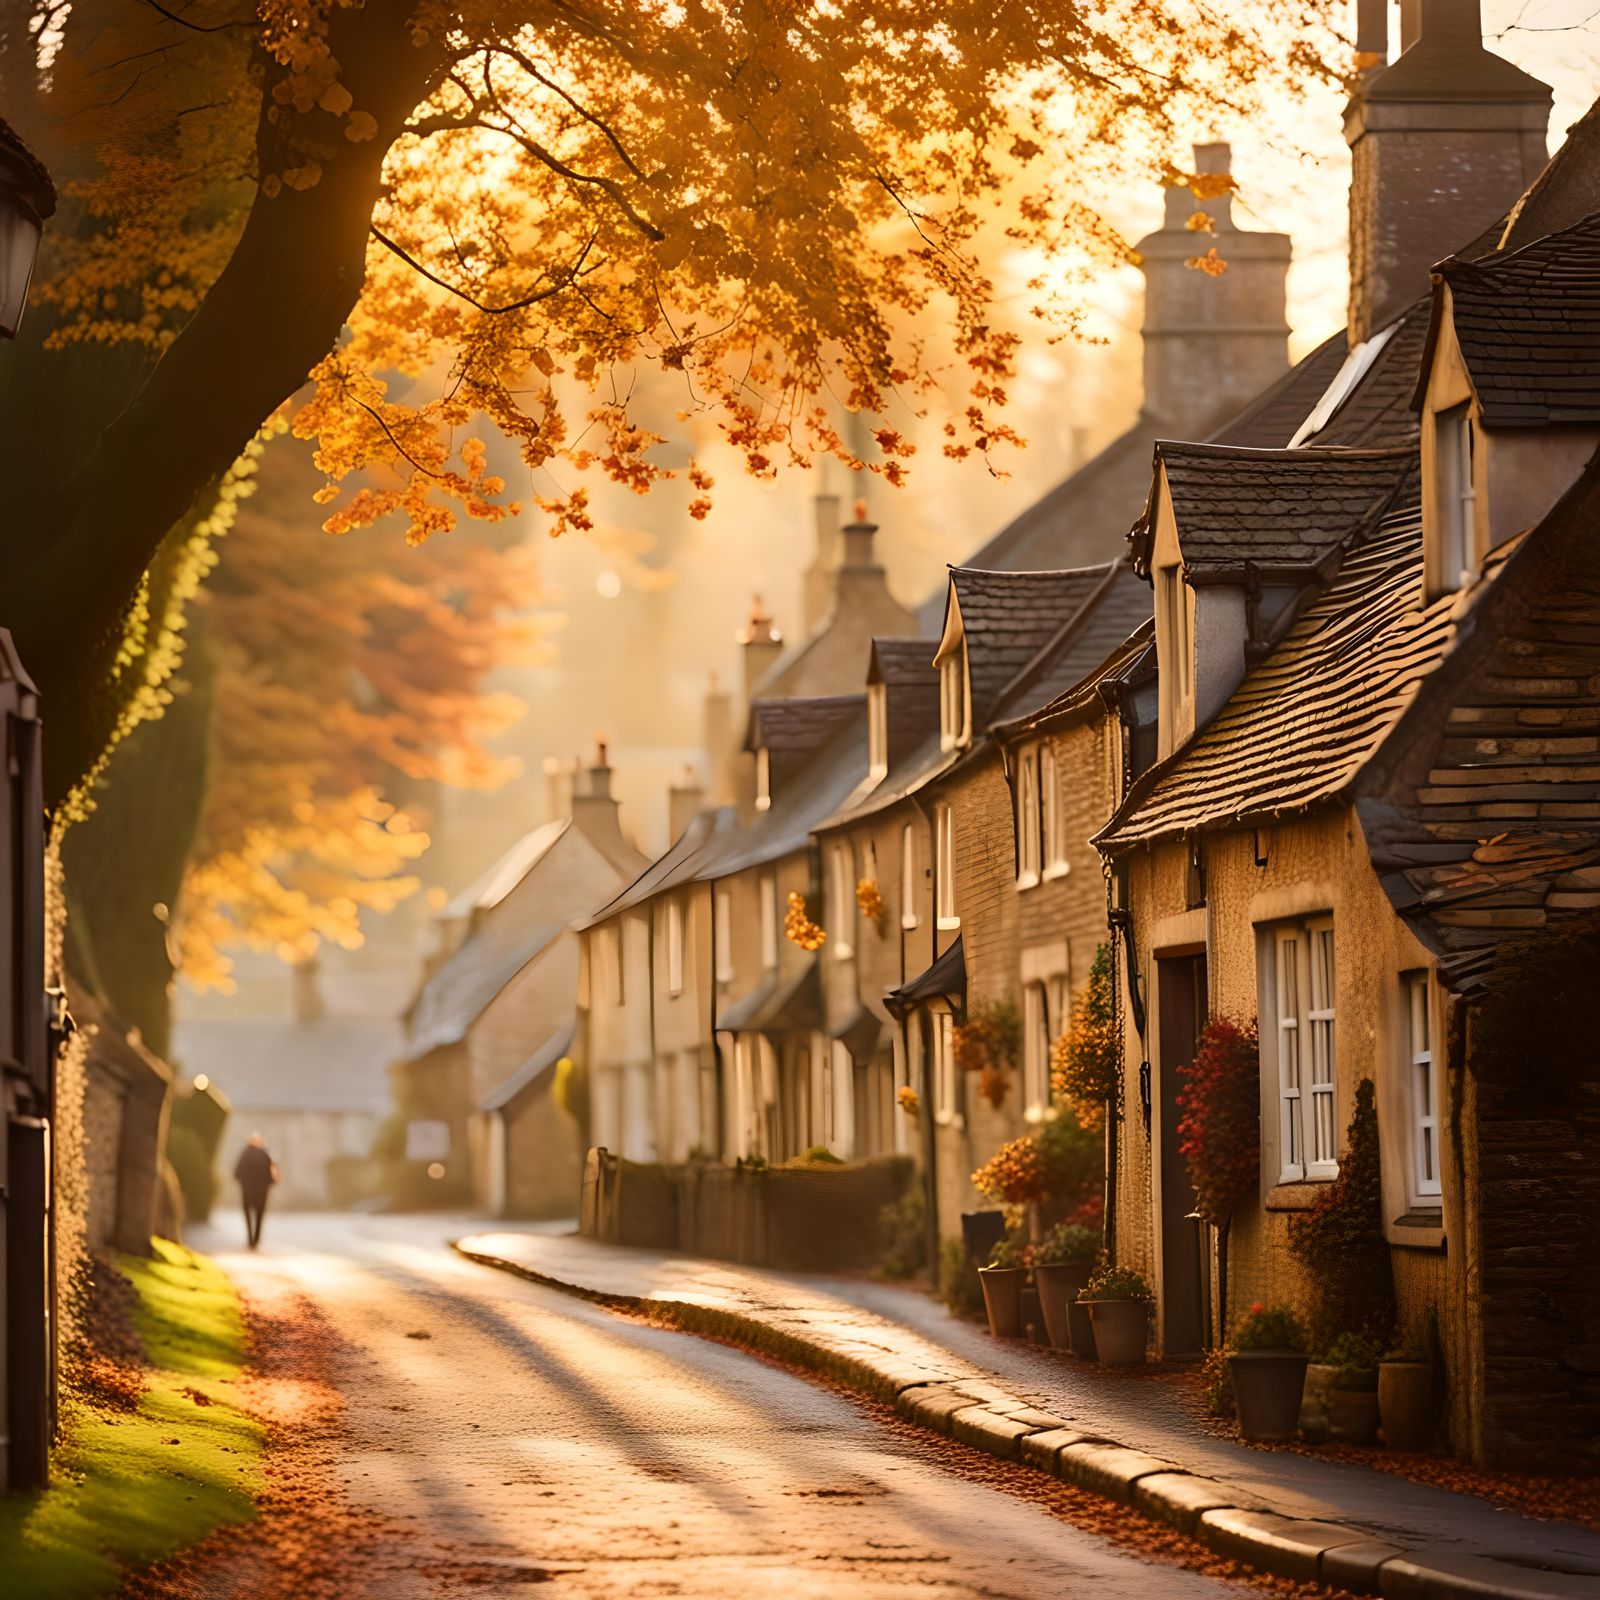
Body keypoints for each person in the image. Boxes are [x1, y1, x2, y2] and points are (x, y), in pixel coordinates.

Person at [234, 1132, 279, 1249]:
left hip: (247, 1191)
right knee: (259, 1215)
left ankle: (250, 1239)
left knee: (248, 1214)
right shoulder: (265, 1154)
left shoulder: (245, 1153)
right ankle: (256, 1239)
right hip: (262, 1192)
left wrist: (245, 1182)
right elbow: (272, 1175)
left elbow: (237, 1173)